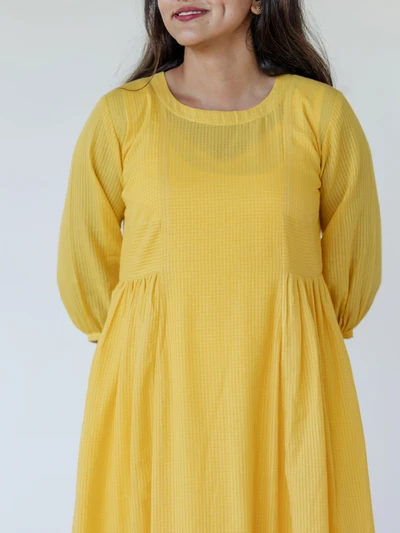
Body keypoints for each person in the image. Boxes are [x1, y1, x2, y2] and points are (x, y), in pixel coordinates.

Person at [56, 0, 382, 531]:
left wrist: (302, 332)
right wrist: (142, 338)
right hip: (157, 389)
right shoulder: (122, 116)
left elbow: (352, 269)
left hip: (284, 389)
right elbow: (84, 263)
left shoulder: (321, 115)